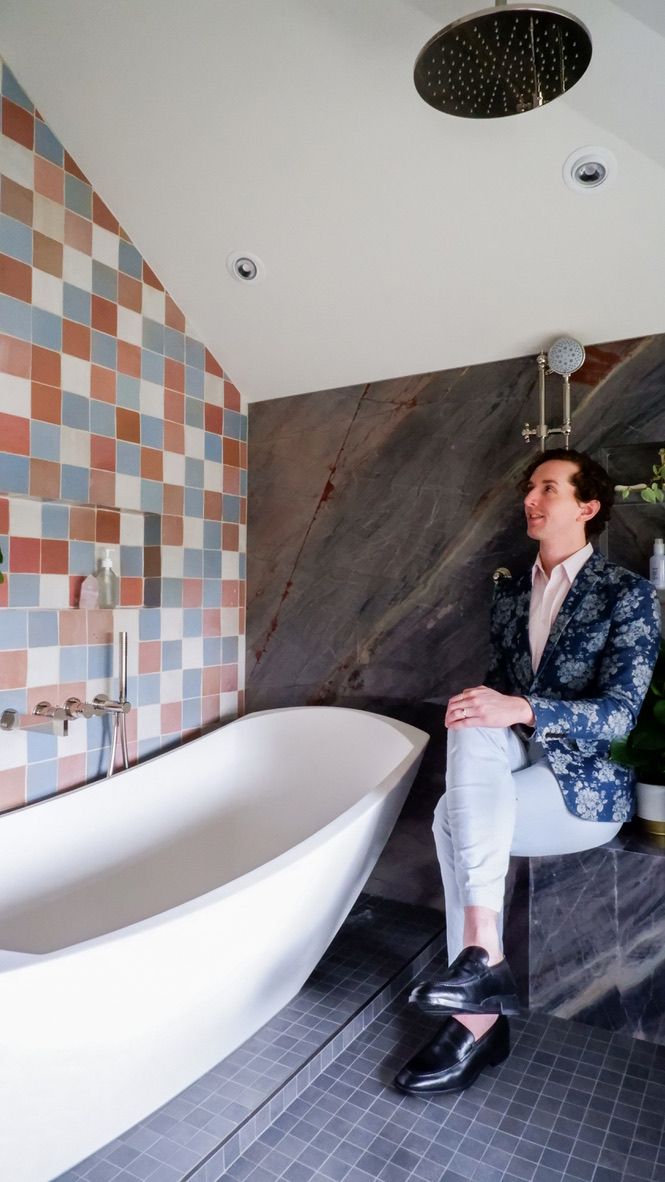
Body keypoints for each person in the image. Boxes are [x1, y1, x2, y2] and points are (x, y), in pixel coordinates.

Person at [394, 448, 661, 1095]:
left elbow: (621, 717)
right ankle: (480, 959)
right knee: (470, 715)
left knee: (446, 818)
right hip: (519, 758)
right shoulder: (511, 593)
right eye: (529, 488)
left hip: (586, 789)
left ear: (587, 507)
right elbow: (500, 695)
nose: (531, 499)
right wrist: (493, 706)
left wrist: (518, 705)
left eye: (548, 488)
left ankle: (476, 1016)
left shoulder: (627, 596)